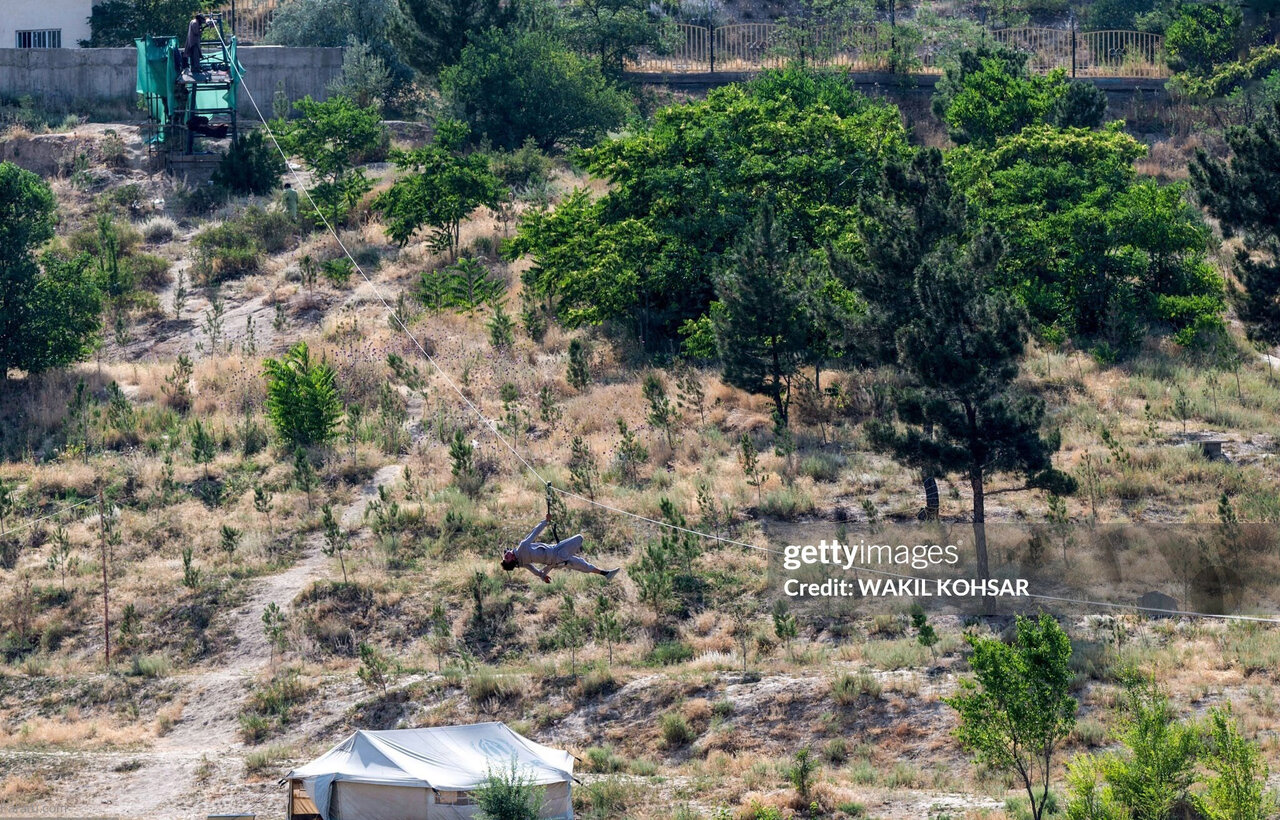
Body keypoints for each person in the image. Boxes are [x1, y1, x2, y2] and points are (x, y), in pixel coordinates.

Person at [501, 517, 619, 583]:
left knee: (582, 565)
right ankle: (605, 573)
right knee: (579, 538)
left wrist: (543, 576)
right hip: (557, 553)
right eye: (506, 557)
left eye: (505, 554)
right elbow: (534, 532)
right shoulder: (521, 548)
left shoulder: (522, 563)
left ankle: (606, 574)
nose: (507, 553)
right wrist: (545, 521)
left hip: (556, 562)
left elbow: (536, 572)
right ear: (511, 560)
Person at [185, 13, 208, 78]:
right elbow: (196, 32)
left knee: (193, 56)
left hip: (192, 41)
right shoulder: (195, 23)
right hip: (194, 42)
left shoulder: (193, 21)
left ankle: (193, 68)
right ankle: (196, 69)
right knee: (195, 56)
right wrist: (202, 29)